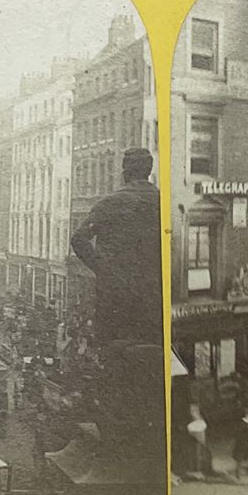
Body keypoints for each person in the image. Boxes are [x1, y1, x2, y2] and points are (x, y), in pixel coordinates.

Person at [68, 147, 161, 348]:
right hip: (153, 297)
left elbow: (78, 239)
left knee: (114, 355)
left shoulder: (109, 203)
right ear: (148, 172)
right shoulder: (162, 201)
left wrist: (104, 270)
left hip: (114, 297)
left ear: (125, 173)